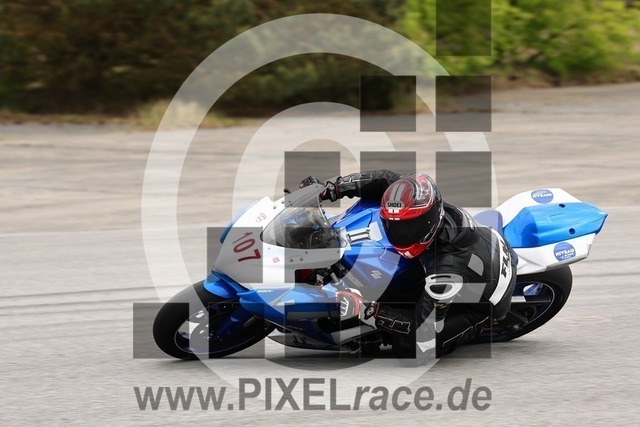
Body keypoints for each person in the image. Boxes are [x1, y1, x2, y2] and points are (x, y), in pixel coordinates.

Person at [299, 170, 517, 361]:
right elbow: (382, 179)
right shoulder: (419, 199)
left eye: (406, 228)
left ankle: (475, 324)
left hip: (481, 301)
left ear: (427, 222)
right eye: (392, 225)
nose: (397, 233)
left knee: (411, 348)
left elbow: (423, 329)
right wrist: (330, 189)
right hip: (466, 253)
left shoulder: (446, 270)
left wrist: (367, 310)